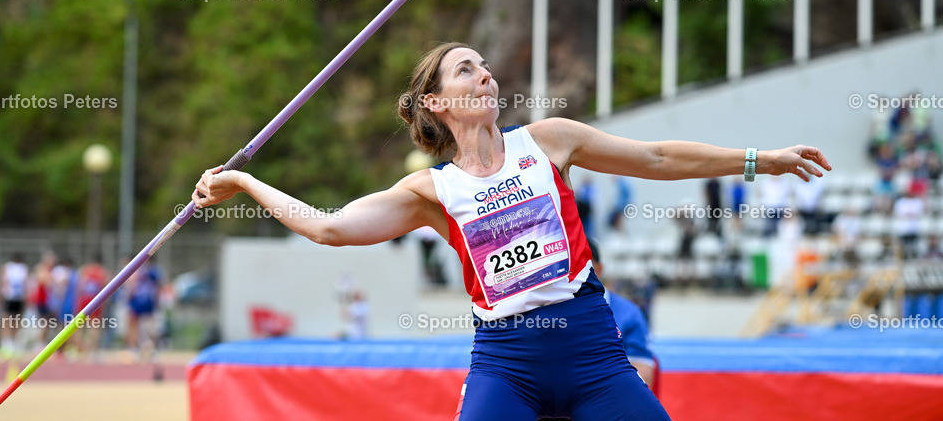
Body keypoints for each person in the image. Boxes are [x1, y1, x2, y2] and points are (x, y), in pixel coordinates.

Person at [192, 43, 830, 420]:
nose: (485, 75)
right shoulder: (431, 192)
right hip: (506, 361)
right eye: (466, 70)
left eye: (486, 66)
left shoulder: (549, 141)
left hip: (590, 348)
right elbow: (329, 229)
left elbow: (657, 158)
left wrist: (759, 160)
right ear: (437, 102)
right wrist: (245, 182)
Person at [586, 237, 656, 389]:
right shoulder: (547, 309)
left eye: (583, 265)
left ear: (599, 269)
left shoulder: (629, 313)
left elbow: (643, 372)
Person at [0, 254, 28, 357]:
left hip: (13, 297)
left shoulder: (12, 267)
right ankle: (8, 344)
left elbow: (3, 282)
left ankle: (10, 343)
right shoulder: (18, 268)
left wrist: (1, 295)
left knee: (9, 320)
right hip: (14, 297)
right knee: (12, 320)